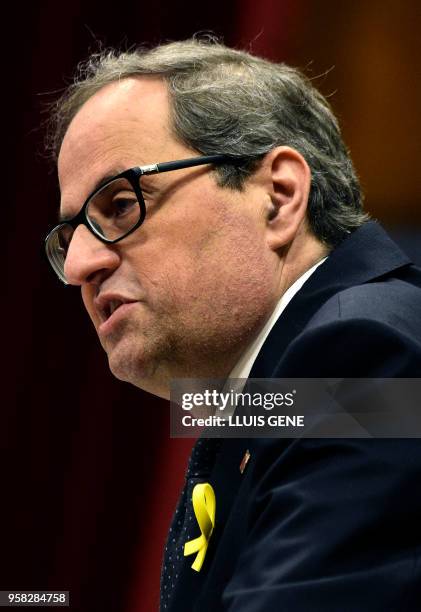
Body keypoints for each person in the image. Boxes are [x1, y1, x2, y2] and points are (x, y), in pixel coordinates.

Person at [44, 39, 421, 611]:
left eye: (120, 205)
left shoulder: (364, 353)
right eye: (69, 239)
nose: (78, 268)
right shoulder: (263, 389)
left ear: (279, 195)